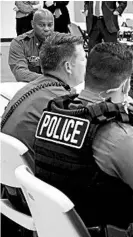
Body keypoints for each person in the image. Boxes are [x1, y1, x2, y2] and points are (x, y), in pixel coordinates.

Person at [32, 42, 133, 229]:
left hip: (55, 226)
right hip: (99, 227)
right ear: (126, 85)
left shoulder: (54, 111)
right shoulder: (119, 135)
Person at [1, 33, 85, 236]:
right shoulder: (62, 103)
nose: (87, 62)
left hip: (14, 189)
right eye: (83, 57)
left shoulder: (27, 89)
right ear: (68, 67)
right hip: (38, 199)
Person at [8, 9, 55, 82]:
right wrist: (48, 80)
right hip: (30, 87)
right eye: (41, 25)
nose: (46, 29)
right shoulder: (19, 43)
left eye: (50, 25)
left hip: (57, 88)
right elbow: (20, 73)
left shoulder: (61, 42)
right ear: (32, 24)